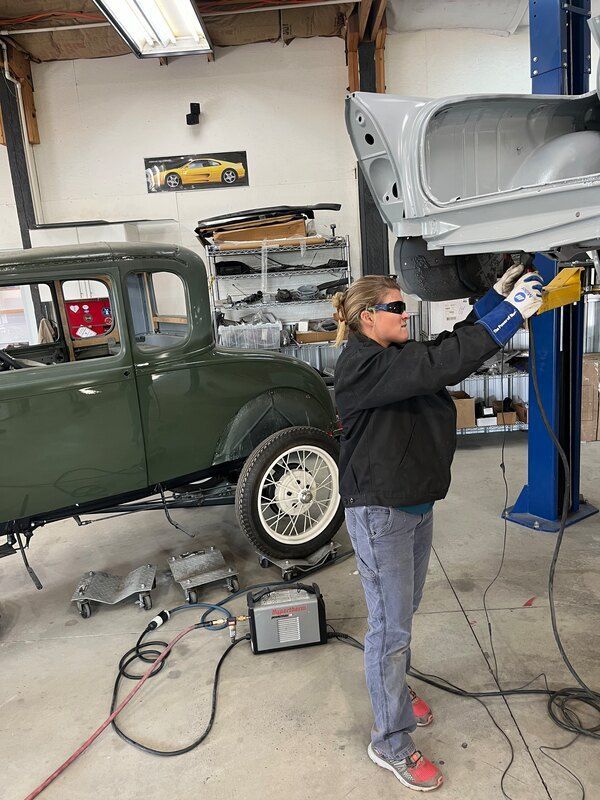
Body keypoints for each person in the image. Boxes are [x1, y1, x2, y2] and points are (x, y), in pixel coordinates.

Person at [332, 265, 543, 792]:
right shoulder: (362, 365)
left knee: (403, 613)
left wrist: (494, 302)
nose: (407, 314)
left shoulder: (394, 355)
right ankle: (390, 742)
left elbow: (446, 348)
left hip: (413, 505)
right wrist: (512, 315)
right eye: (397, 308)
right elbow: (442, 363)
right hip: (380, 513)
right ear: (367, 317)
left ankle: (395, 692)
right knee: (390, 629)